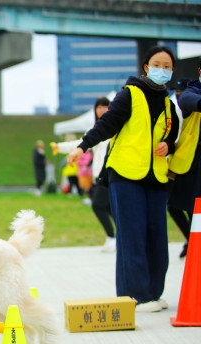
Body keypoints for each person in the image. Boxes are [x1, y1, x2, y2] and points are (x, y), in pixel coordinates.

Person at [68, 46, 180, 313]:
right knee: (132, 236)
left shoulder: (169, 105)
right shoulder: (129, 94)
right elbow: (107, 124)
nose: (162, 70)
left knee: (157, 238)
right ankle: (135, 296)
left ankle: (153, 293)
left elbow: (173, 137)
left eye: (167, 66)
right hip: (125, 175)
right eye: (157, 64)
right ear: (146, 67)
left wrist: (168, 146)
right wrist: (83, 146)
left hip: (156, 177)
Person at [52, 97, 116, 252]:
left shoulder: (115, 126)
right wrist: (60, 147)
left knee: (98, 205)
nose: (101, 110)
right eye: (98, 107)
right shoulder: (94, 128)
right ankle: (121, 237)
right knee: (110, 209)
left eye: (105, 106)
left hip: (111, 173)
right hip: (99, 175)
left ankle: (112, 237)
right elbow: (81, 144)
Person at [168, 59, 201, 259]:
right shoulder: (191, 92)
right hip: (192, 167)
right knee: (185, 209)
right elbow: (187, 100)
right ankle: (192, 243)